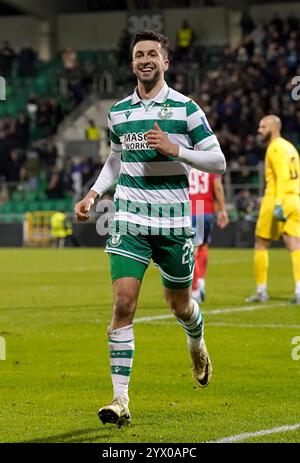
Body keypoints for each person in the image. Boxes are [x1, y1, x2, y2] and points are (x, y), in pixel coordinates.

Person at [74, 30, 226, 427]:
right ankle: (120, 401)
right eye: (139, 54)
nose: (145, 60)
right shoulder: (119, 111)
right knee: (123, 304)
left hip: (174, 224)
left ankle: (196, 342)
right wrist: (93, 194)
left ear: (165, 62)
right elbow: (116, 158)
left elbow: (219, 162)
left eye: (152, 54)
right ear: (132, 63)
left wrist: (178, 150)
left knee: (180, 306)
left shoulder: (186, 109)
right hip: (130, 220)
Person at [246, 115, 300, 303]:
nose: (259, 130)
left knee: (261, 243)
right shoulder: (290, 147)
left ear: (274, 128)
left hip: (277, 198)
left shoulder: (275, 147)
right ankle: (299, 290)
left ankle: (261, 292)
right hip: (295, 199)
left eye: (263, 127)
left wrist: (277, 204)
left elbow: (283, 175)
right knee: (294, 245)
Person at [189, 170, 229, 302]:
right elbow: (217, 186)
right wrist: (222, 210)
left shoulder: (186, 160)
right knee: (203, 245)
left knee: (191, 250)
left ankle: (195, 291)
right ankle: (200, 282)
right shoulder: (208, 161)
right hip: (205, 209)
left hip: (191, 208)